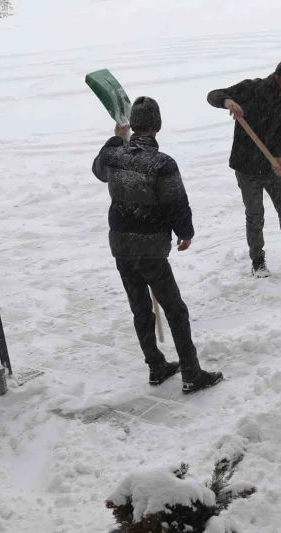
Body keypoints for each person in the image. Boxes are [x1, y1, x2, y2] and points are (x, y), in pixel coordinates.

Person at [92, 96, 223, 394]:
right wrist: (185, 232)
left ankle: (156, 366)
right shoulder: (162, 163)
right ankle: (191, 372)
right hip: (150, 248)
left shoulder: (113, 155)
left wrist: (116, 138)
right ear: (157, 125)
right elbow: (176, 201)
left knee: (140, 309)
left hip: (121, 245)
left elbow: (99, 170)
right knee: (175, 311)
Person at [207, 56, 281, 278]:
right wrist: (227, 102)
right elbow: (213, 95)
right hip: (246, 166)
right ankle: (258, 262)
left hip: (271, 166)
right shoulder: (252, 89)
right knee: (255, 214)